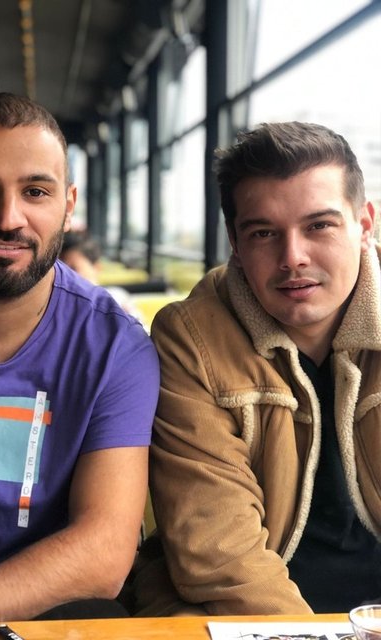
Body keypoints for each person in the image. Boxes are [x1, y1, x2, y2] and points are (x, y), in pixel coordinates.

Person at [0, 92, 160, 623]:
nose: (8, 219)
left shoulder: (115, 350)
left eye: (35, 192)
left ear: (68, 205)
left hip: (32, 615)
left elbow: (103, 553)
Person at [132, 121, 381, 616]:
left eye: (319, 226)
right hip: (241, 614)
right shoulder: (192, 339)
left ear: (365, 224)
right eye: (264, 233)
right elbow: (218, 552)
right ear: (235, 243)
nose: (293, 258)